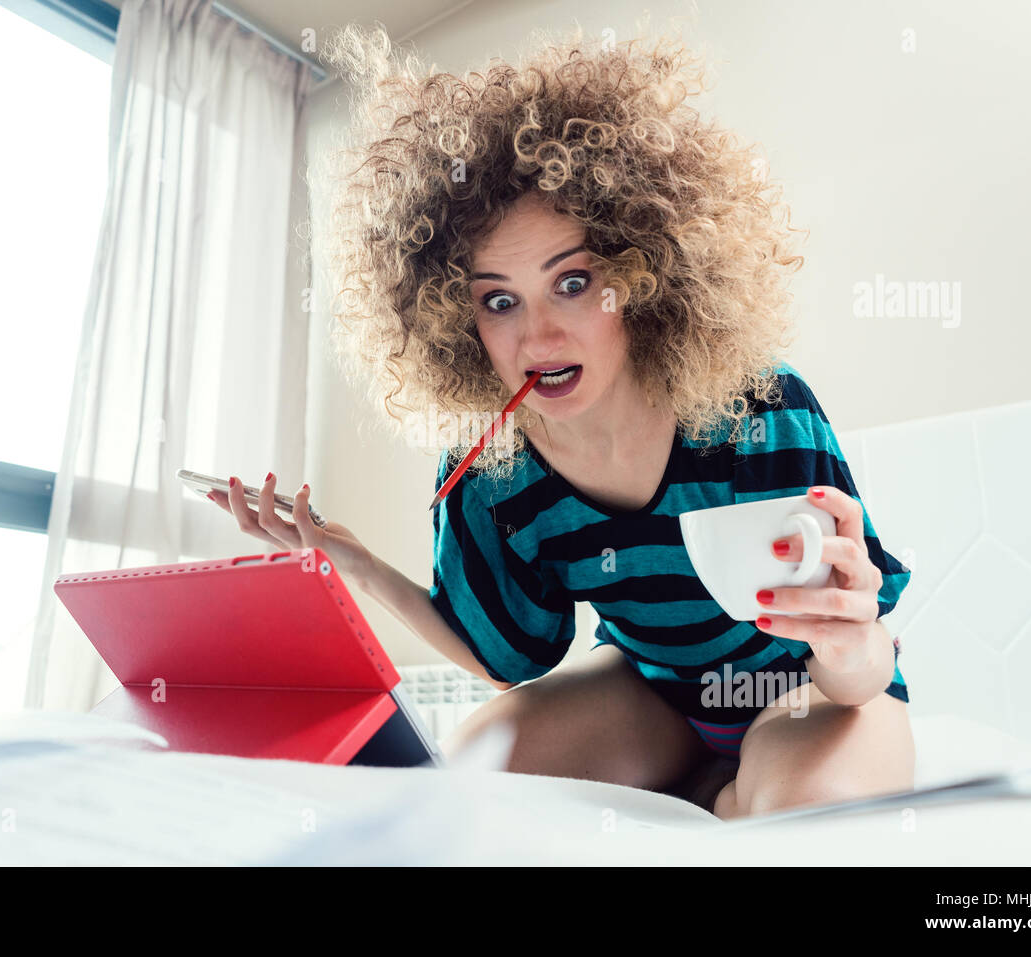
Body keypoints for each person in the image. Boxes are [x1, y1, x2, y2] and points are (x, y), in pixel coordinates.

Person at [208, 23, 915, 820]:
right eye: (499, 300)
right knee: (474, 778)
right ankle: (705, 785)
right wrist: (356, 564)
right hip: (651, 694)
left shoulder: (759, 409)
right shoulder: (492, 466)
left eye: (572, 282)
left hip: (812, 693)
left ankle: (732, 793)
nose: (538, 336)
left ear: (640, 272)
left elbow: (857, 659)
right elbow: (507, 657)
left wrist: (852, 645)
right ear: (456, 316)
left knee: (797, 822)